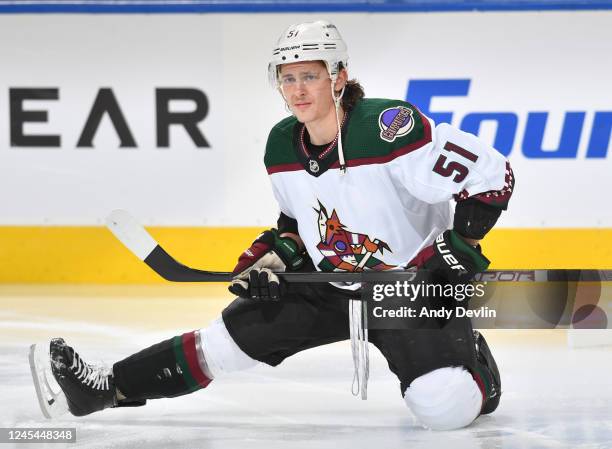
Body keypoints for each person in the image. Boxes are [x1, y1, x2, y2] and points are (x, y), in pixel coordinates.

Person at [32, 20, 513, 431]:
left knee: (442, 408)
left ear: (339, 76)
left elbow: (492, 177)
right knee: (219, 345)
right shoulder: (282, 144)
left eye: (310, 76)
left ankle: (477, 367)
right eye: (288, 79)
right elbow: (297, 224)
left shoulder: (389, 127)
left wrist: (456, 251)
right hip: (330, 284)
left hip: (410, 291)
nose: (298, 90)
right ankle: (107, 388)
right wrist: (271, 257)